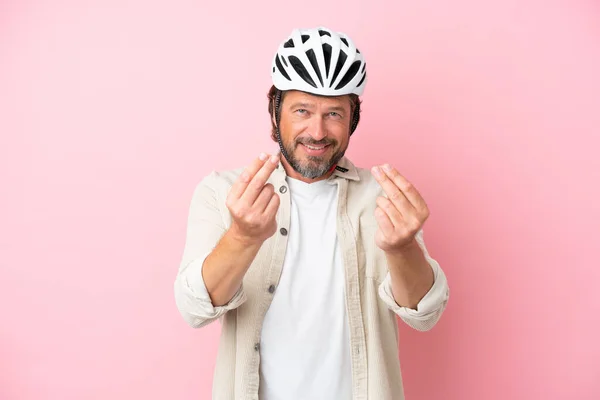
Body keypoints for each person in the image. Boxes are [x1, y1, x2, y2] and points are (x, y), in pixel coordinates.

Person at [174, 26, 450, 400]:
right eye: (302, 110)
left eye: (334, 113)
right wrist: (242, 237)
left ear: (352, 119)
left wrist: (402, 249)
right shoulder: (223, 192)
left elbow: (424, 313)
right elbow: (194, 309)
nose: (317, 132)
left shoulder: (382, 197)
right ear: (275, 111)